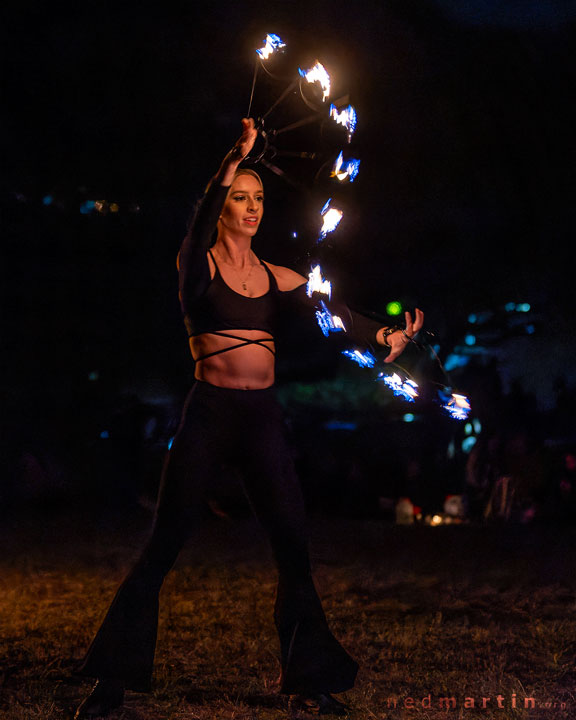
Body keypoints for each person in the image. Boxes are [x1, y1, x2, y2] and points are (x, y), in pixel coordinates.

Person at [73, 118, 423, 718]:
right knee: (165, 542)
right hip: (209, 414)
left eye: (258, 199)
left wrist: (384, 332)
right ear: (224, 204)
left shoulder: (273, 275)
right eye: (242, 198)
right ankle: (111, 680)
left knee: (292, 544)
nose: (252, 207)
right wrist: (228, 165)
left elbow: (332, 311)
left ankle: (311, 679)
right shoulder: (198, 266)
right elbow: (196, 224)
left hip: (260, 419)